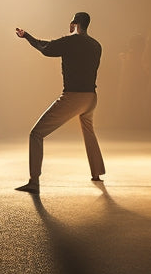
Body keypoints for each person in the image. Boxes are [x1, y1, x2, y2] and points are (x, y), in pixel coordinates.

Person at [14, 11, 105, 193]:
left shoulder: (70, 41)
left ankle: (34, 181)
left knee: (36, 134)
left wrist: (27, 36)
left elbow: (45, 48)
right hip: (91, 97)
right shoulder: (96, 45)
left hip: (74, 97)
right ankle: (96, 173)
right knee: (89, 132)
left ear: (74, 23)